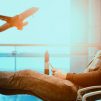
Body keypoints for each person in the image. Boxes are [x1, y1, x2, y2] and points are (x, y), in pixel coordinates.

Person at [0, 51, 101, 101]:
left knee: (26, 76)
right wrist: (65, 76)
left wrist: (66, 76)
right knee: (26, 87)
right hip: (77, 88)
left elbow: (98, 77)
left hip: (76, 91)